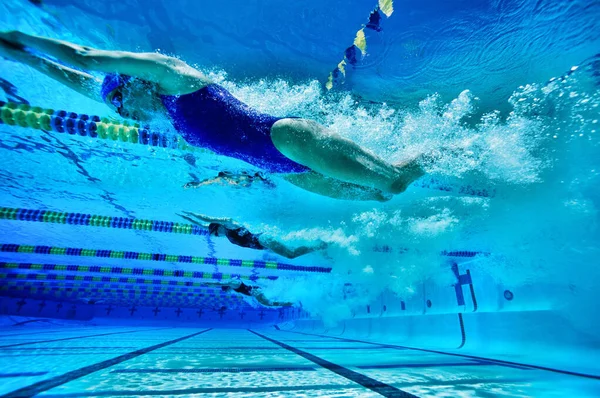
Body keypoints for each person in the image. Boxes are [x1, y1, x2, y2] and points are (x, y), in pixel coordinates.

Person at [0, 31, 426, 201]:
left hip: (291, 141)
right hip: (287, 170)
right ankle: (429, 159)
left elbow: (83, 58)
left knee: (392, 180)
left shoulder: (174, 79)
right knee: (378, 196)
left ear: (135, 83)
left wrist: (18, 38)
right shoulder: (157, 109)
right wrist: (26, 61)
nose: (124, 114)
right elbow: (71, 76)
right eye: (116, 109)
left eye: (120, 103)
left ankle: (447, 151)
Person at [178, 211, 326, 259]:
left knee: (291, 254)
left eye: (215, 233)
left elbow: (208, 220)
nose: (216, 236)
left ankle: (321, 244)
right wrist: (186, 218)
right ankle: (320, 244)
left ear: (218, 228)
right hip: (264, 243)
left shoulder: (230, 225)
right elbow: (203, 225)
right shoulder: (227, 234)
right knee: (292, 252)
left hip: (263, 239)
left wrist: (190, 213)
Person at [207, 280, 293, 307]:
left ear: (227, 287)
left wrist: (212, 284)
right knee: (267, 303)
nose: (229, 292)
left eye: (227, 290)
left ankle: (287, 303)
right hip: (254, 292)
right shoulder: (233, 286)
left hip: (255, 291)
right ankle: (287, 302)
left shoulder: (233, 283)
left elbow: (222, 283)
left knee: (267, 303)